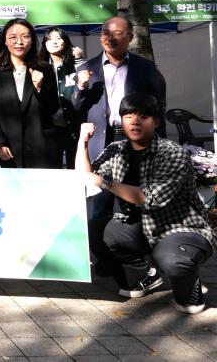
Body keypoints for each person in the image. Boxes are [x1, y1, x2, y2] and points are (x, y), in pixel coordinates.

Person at [76, 94, 216, 314]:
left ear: (156, 122)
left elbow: (147, 198)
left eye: (143, 116)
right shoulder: (116, 149)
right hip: (140, 226)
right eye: (128, 116)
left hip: (182, 229)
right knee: (94, 230)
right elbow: (85, 176)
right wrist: (83, 142)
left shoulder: (173, 154)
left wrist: (104, 182)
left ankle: (189, 288)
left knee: (172, 260)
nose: (135, 121)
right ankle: (144, 276)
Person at [72, 15, 164, 276]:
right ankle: (103, 259)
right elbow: (75, 107)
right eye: (104, 33)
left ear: (130, 36)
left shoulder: (144, 68)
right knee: (98, 201)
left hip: (133, 138)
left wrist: (157, 143)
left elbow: (157, 105)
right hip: (100, 139)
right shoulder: (87, 67)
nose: (109, 38)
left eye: (116, 33)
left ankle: (139, 258)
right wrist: (80, 88)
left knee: (134, 198)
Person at [0, 19, 60, 169]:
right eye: (13, 37)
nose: (19, 42)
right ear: (5, 41)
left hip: (40, 148)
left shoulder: (44, 69)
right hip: (8, 149)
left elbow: (53, 108)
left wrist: (39, 89)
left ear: (32, 39)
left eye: (25, 37)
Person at [38, 27, 85, 168]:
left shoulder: (76, 63)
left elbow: (86, 85)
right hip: (49, 128)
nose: (54, 42)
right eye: (49, 39)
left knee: (76, 166)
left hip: (75, 125)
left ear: (66, 42)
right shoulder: (39, 66)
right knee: (53, 168)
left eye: (58, 38)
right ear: (44, 43)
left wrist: (79, 59)